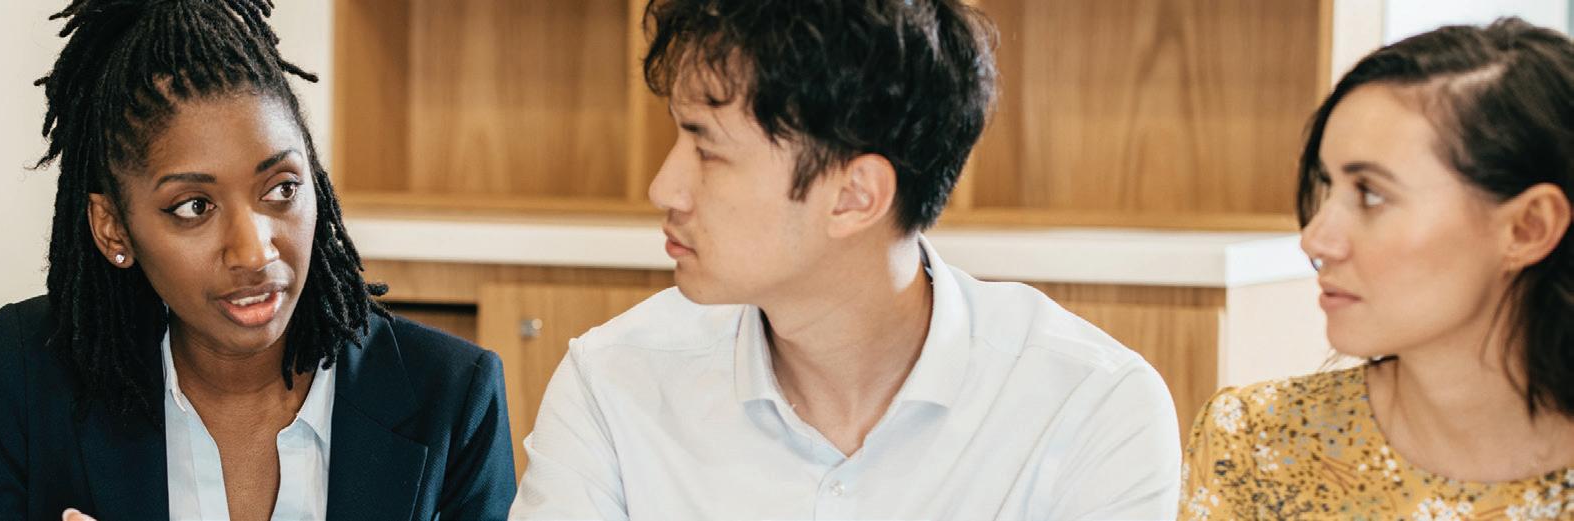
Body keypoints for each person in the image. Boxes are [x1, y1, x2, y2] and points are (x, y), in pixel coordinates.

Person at [510, 1, 1183, 519]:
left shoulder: (1089, 407)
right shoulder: (612, 382)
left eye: (706, 149)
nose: (664, 188)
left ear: (855, 196)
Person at [0, 1, 515, 519]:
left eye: (281, 188)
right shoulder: (31, 371)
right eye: (194, 206)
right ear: (114, 227)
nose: (254, 251)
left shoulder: (451, 396)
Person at [1182, 19, 1574, 519]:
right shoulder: (1257, 444)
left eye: (1370, 194)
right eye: (1327, 186)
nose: (1315, 239)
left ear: (1528, 227)